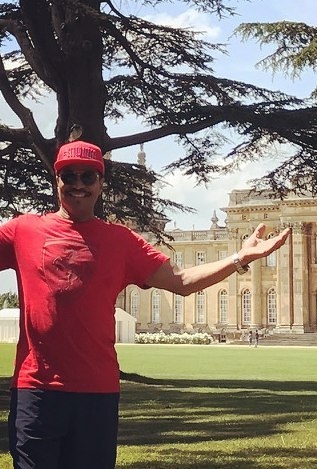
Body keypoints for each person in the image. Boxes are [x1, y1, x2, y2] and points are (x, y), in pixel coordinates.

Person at [0, 140, 290, 469]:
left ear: (100, 184)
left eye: (87, 177)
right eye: (69, 176)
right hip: (37, 390)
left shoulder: (121, 241)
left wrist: (240, 258)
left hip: (97, 391)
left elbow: (180, 281)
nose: (78, 184)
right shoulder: (23, 231)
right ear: (57, 179)